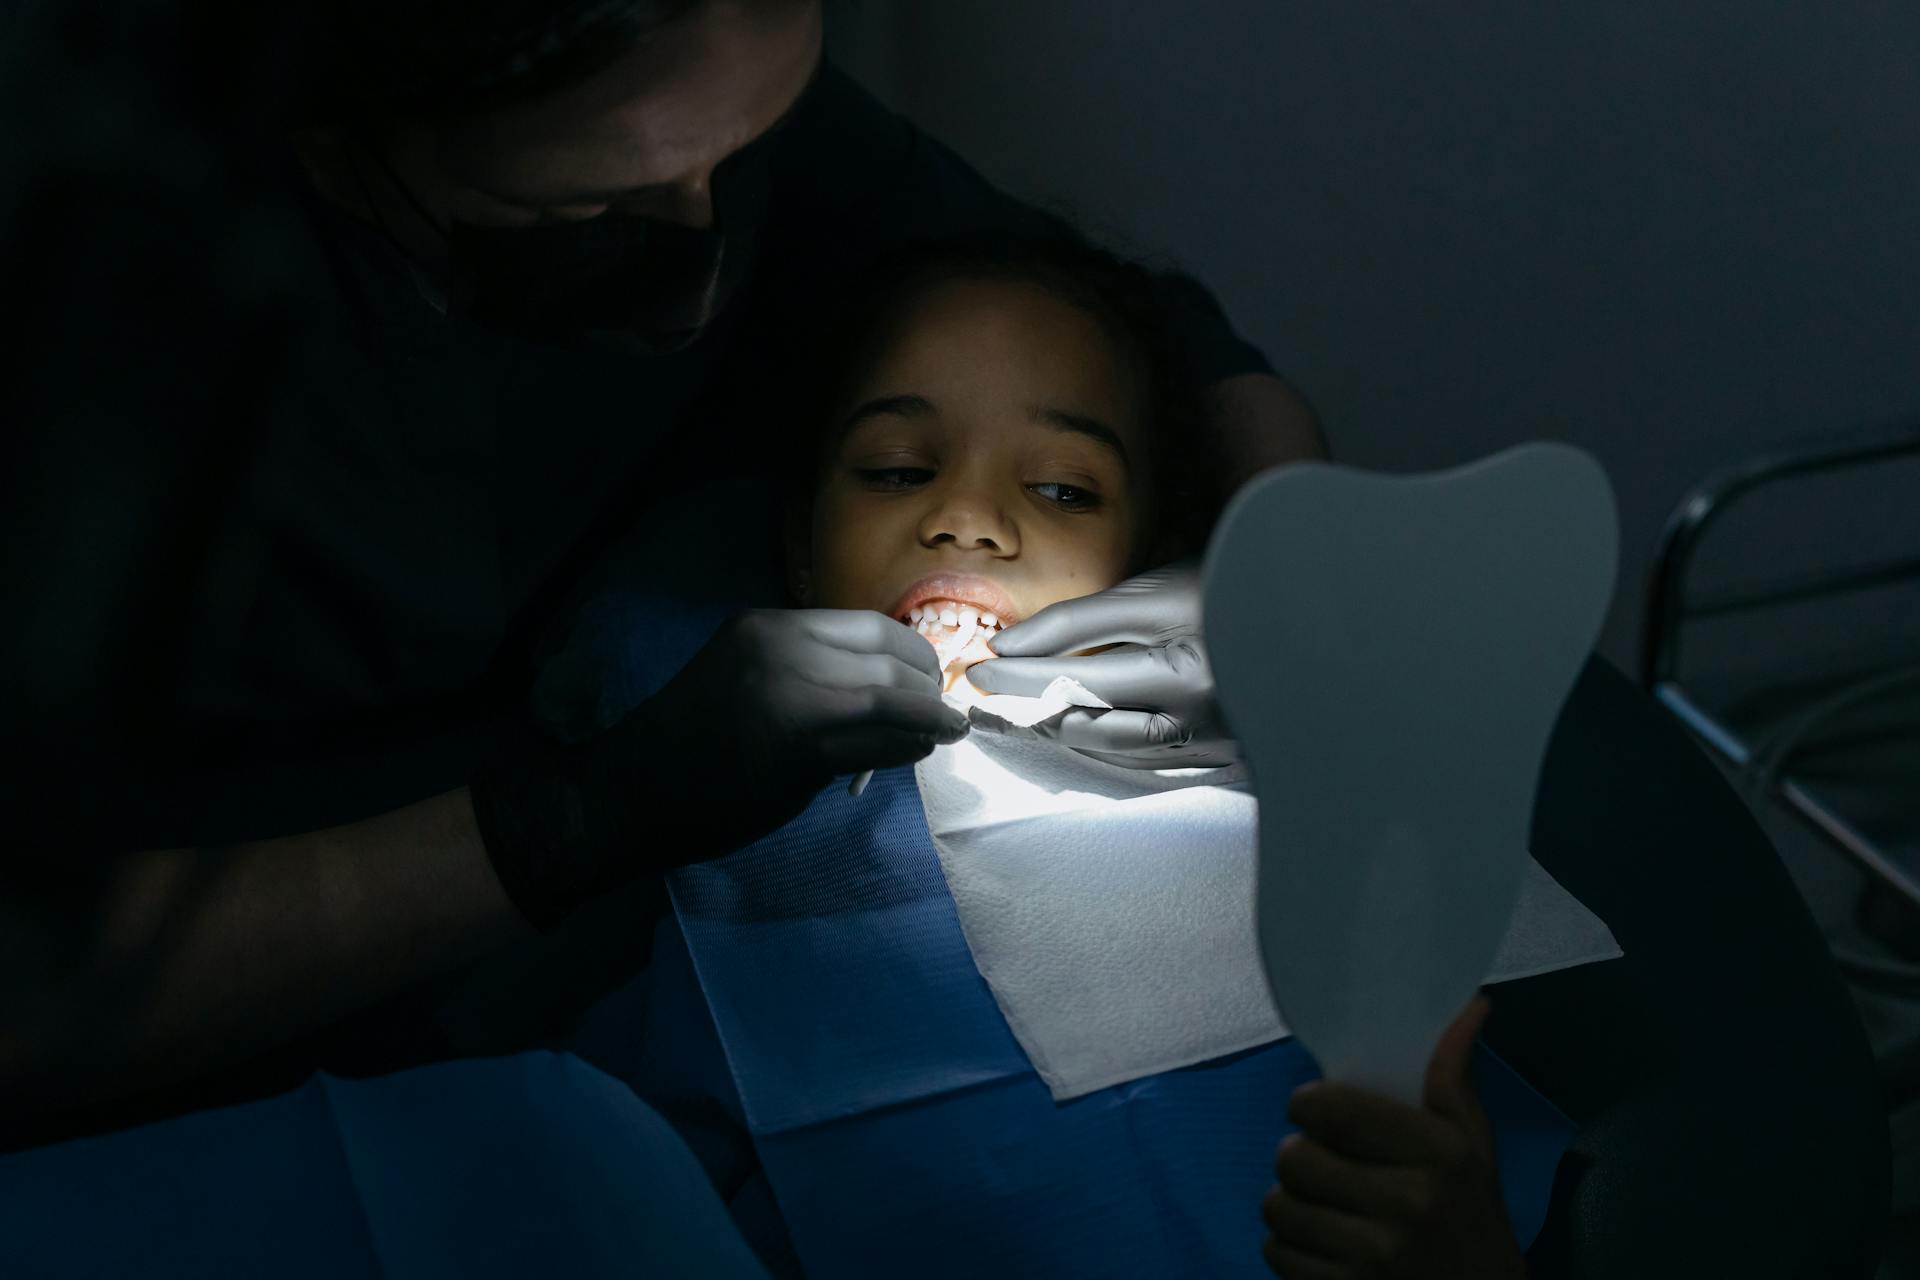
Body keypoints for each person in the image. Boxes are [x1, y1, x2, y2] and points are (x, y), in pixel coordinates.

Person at [0, 0, 1325, 1143]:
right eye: (595, 202)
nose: (704, 223)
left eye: (745, 152)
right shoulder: (119, 319)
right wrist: (568, 823)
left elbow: (1160, 338)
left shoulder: (693, 81)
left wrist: (1258, 563)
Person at [538, 235, 1534, 1278]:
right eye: (895, 470)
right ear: (799, 541)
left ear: (1149, 563)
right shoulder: (725, 814)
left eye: (1064, 489)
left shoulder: (1273, 792)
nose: (965, 518)